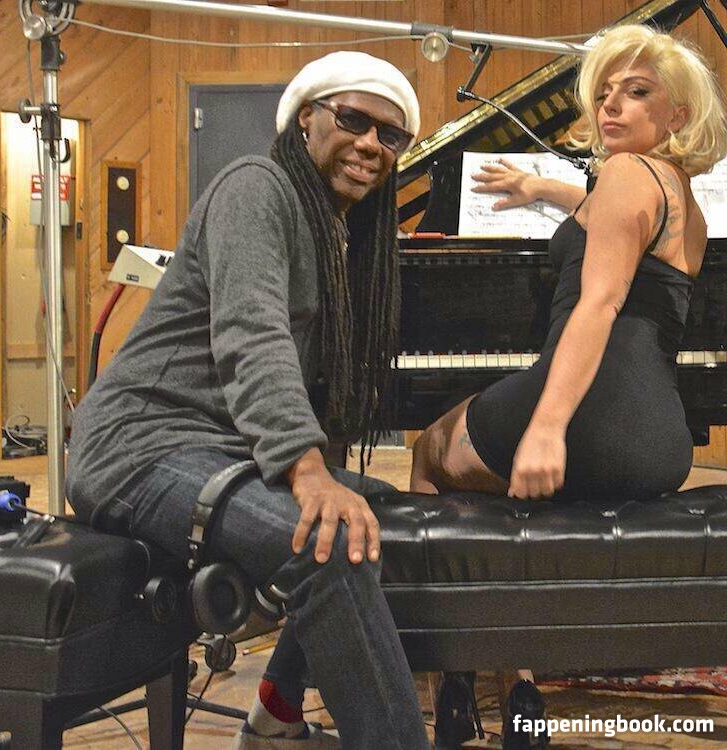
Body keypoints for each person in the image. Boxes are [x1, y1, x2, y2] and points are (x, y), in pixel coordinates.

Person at [66, 51, 430, 750]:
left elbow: (314, 382)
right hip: (139, 447)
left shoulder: (335, 231)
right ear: (306, 120)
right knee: (330, 542)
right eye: (354, 120)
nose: (371, 145)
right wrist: (307, 470)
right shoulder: (255, 187)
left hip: (217, 451)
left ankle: (276, 719)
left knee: (390, 518)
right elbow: (252, 333)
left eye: (390, 136)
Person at [409, 23, 727, 749]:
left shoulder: (626, 174)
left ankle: (462, 677)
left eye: (636, 92)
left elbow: (599, 305)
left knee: (431, 452)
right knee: (498, 481)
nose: (611, 104)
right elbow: (606, 214)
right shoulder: (682, 199)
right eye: (606, 91)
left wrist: (547, 428)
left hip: (585, 417)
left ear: (677, 114)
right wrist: (538, 187)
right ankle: (519, 686)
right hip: (657, 447)